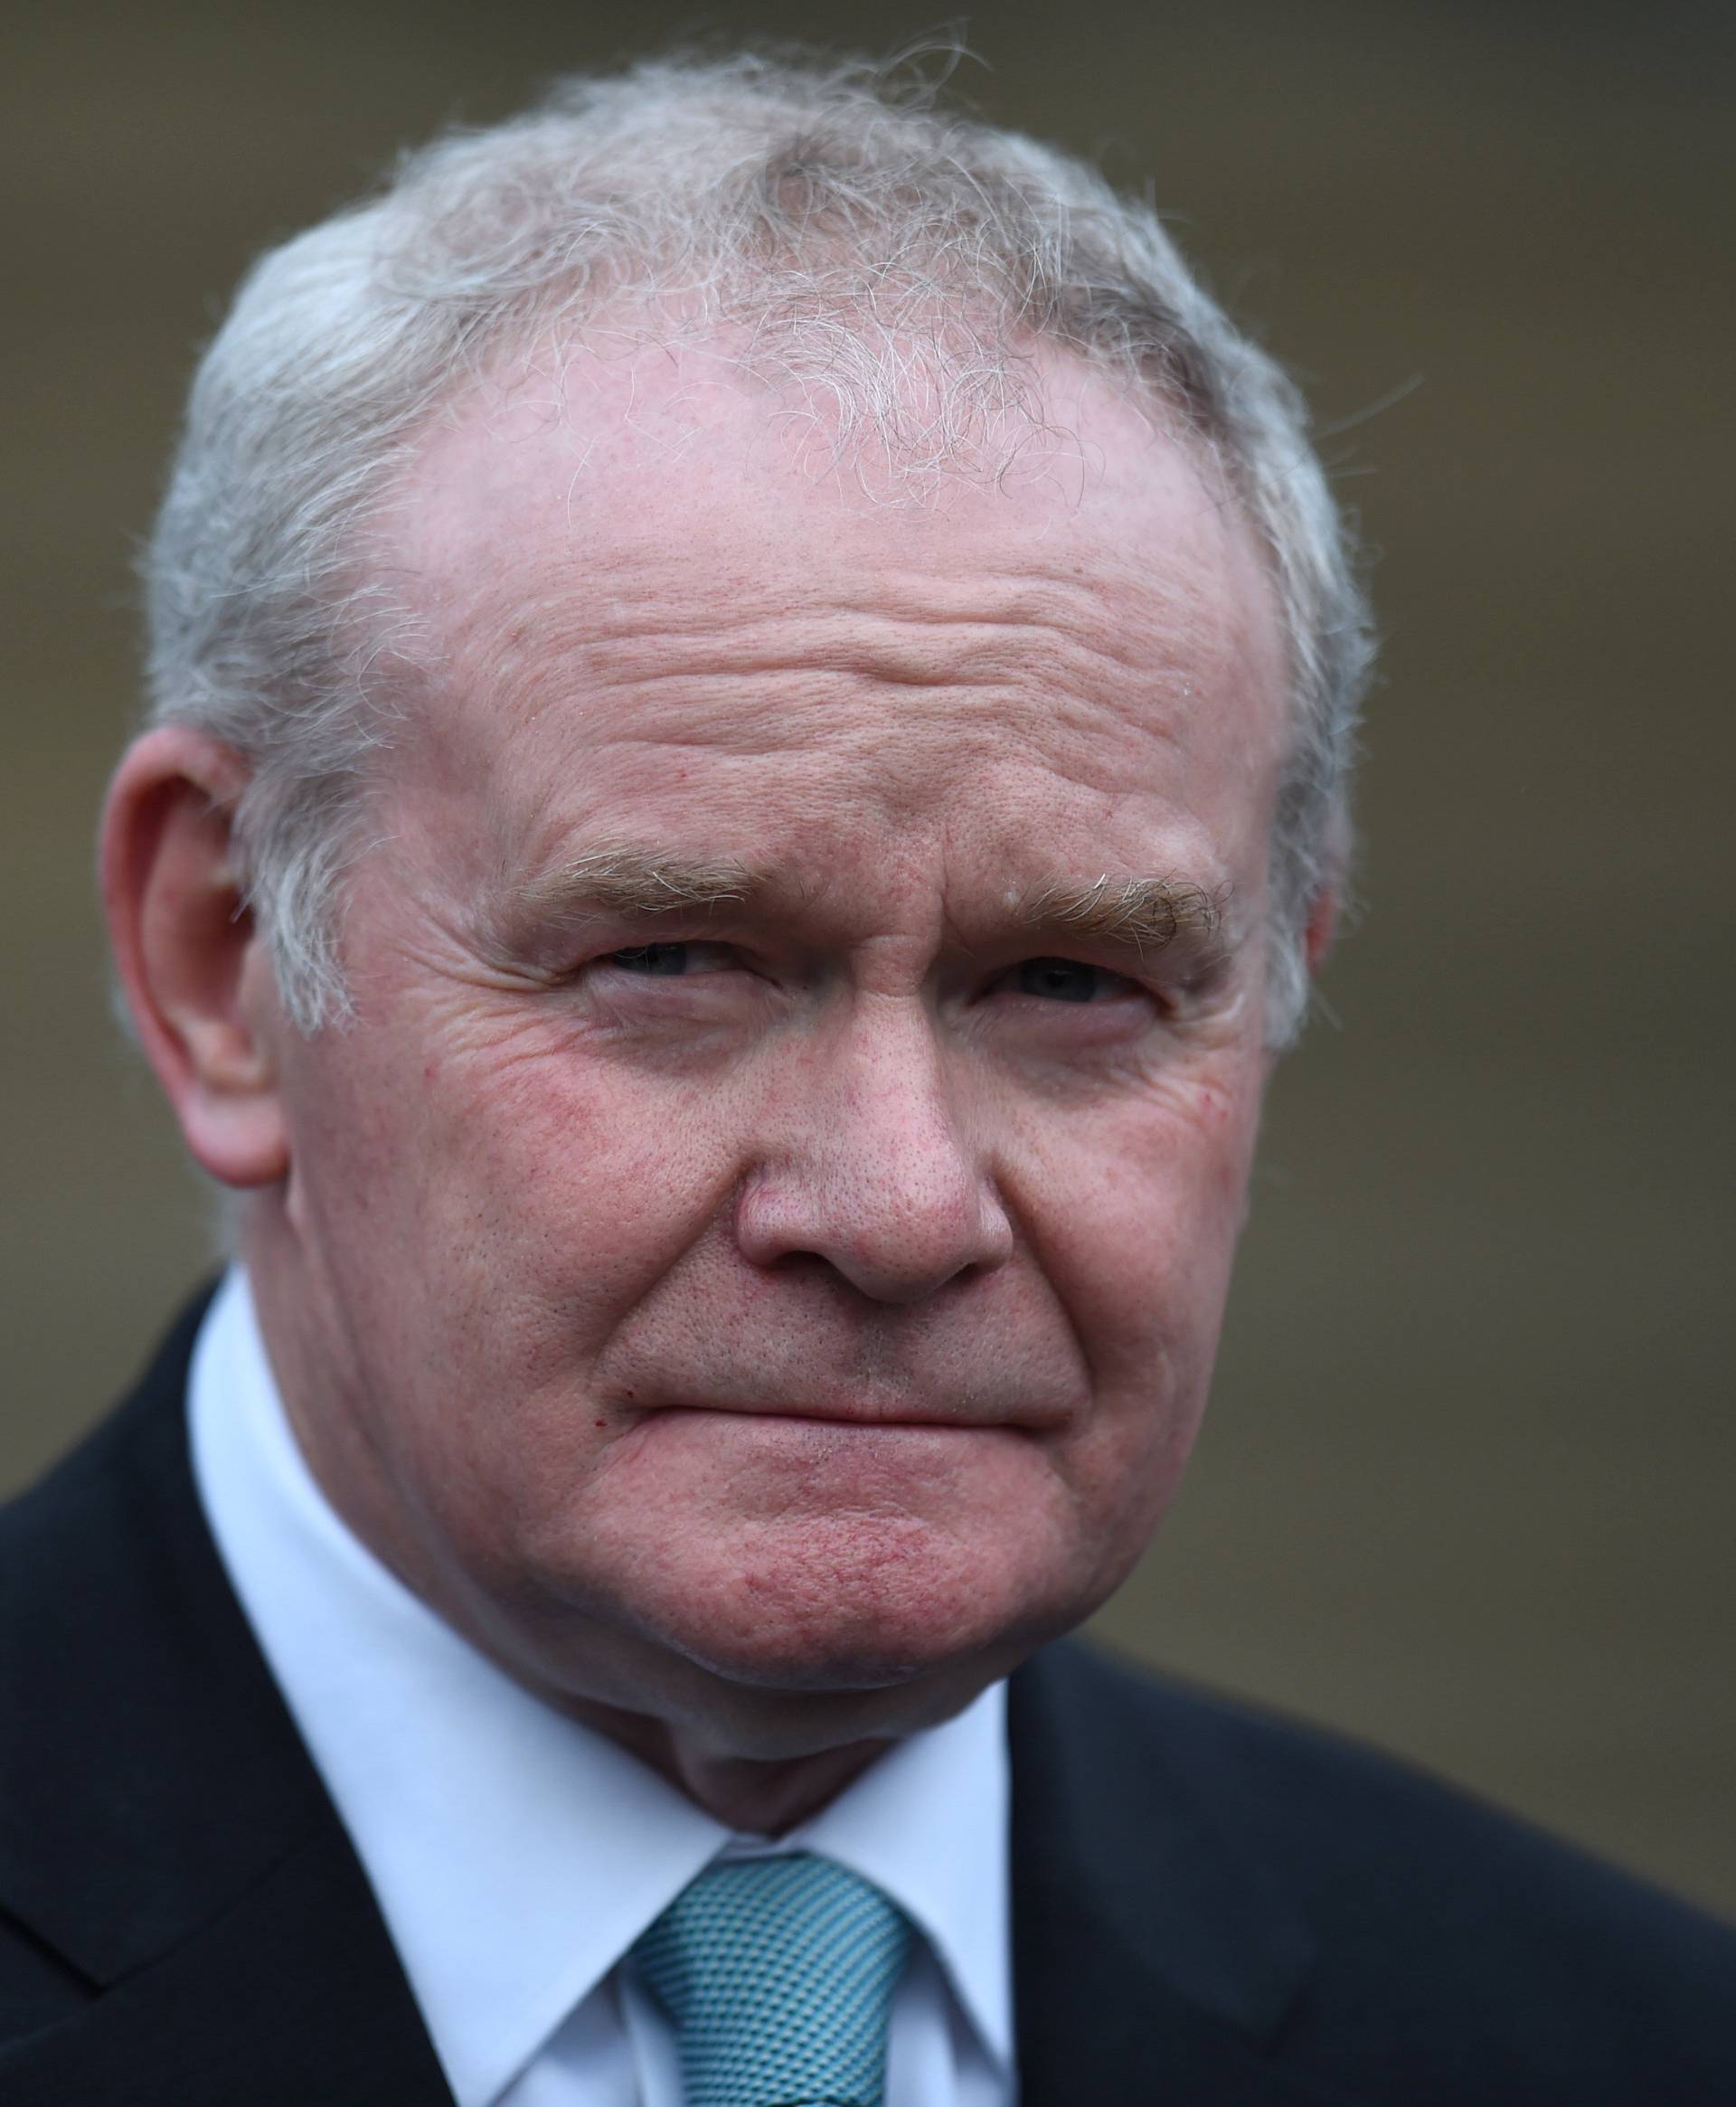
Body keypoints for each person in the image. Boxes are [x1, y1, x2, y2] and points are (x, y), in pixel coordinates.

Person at [0, 50, 1730, 2107]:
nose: (902, 1204)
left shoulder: (1601, 2041)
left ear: (1277, 985)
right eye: (677, 960)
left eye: (1070, 982)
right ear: (221, 959)